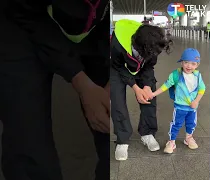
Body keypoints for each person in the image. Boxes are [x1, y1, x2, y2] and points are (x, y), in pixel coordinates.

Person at [0, 0, 110, 179]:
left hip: (100, 26)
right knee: (27, 132)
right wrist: (82, 83)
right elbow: (23, 11)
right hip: (22, 18)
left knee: (111, 120)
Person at [110, 19, 173, 161]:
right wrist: (135, 88)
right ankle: (122, 140)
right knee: (117, 101)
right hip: (118, 68)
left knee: (149, 95)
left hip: (141, 67)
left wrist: (145, 87)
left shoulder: (153, 43)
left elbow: (149, 67)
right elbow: (118, 66)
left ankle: (147, 133)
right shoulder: (117, 43)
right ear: (138, 46)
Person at [152, 48, 206, 154]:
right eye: (186, 62)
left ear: (197, 65)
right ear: (181, 62)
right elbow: (166, 85)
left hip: (192, 107)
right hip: (180, 107)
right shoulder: (176, 75)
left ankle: (188, 138)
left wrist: (196, 101)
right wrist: (153, 94)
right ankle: (171, 142)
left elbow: (202, 89)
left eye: (193, 63)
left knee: (191, 124)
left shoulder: (198, 76)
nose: (189, 66)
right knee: (176, 124)